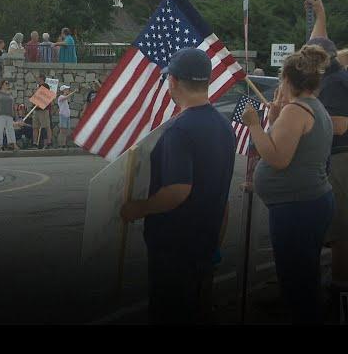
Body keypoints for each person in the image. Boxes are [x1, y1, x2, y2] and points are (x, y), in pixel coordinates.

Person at [120, 48, 236, 324]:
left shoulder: (178, 131)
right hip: (205, 244)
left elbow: (177, 190)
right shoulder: (223, 126)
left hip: (176, 248)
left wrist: (138, 208)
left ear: (173, 81)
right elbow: (221, 191)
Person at [244, 45, 335, 324]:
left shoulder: (295, 110)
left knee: (296, 280)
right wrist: (272, 121)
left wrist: (254, 125)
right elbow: (293, 150)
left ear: (287, 80)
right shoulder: (315, 107)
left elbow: (277, 158)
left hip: (297, 208)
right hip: (310, 203)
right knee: (305, 275)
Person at [305, 0, 348, 304]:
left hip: (341, 158)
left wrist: (304, 119)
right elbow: (319, 42)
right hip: (335, 158)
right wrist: (321, 13)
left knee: (341, 229)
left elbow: (340, 125)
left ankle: (340, 287)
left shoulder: (334, 83)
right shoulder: (332, 69)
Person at [0, 80, 19, 152]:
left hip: (9, 114)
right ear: (2, 84)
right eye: (6, 83)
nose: (7, 85)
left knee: (10, 130)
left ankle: (13, 144)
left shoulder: (10, 94)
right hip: (0, 114)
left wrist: (15, 115)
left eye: (8, 83)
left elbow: (13, 105)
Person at [31, 74, 53, 149]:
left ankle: (48, 142)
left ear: (41, 78)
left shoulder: (45, 86)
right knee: (35, 127)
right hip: (36, 109)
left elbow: (42, 96)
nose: (37, 79)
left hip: (43, 110)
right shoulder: (38, 87)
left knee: (46, 126)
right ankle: (35, 143)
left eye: (38, 78)